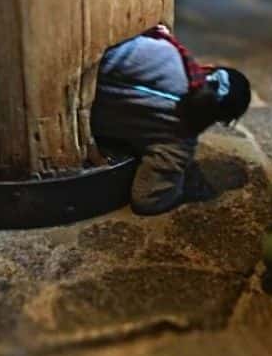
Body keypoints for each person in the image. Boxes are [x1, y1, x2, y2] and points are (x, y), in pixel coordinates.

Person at [90, 24, 252, 216]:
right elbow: (147, 200)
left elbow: (101, 45)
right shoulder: (178, 145)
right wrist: (179, 186)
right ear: (219, 120)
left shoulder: (166, 53)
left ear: (208, 68)